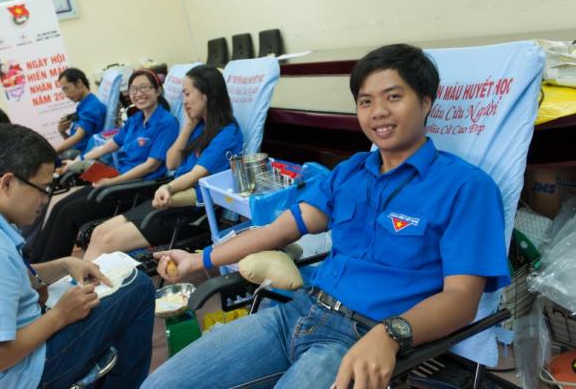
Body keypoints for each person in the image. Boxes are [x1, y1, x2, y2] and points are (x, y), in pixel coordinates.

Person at [143, 44, 511, 389]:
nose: (378, 112)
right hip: (296, 313)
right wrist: (197, 260)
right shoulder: (350, 172)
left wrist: (392, 334)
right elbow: (276, 231)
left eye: (393, 97)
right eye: (366, 101)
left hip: (361, 337)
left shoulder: (466, 188)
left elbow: (462, 300)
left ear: (426, 101)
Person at [0, 124, 154, 389]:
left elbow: (8, 281)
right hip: (13, 377)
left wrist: (65, 264)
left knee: (109, 303)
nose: (45, 199)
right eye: (42, 188)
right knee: (140, 288)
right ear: (7, 183)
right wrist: (60, 316)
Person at [83, 65, 244, 261]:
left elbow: (195, 175)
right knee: (99, 232)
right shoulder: (199, 124)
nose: (184, 101)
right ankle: (80, 285)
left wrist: (167, 188)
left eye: (187, 94)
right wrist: (189, 125)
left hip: (192, 211)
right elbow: (171, 163)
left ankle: (88, 289)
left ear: (206, 94)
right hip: (169, 198)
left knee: (109, 242)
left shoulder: (227, 133)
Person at [28, 69, 179, 262]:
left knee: (69, 214)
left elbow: (151, 166)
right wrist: (79, 160)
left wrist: (112, 182)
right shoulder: (135, 119)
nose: (139, 93)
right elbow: (110, 145)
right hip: (116, 179)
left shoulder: (167, 123)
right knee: (60, 206)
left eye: (145, 87)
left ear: (158, 90)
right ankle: (36, 265)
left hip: (137, 186)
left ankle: (49, 269)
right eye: (134, 89)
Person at [55, 68, 107, 156]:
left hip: (85, 156)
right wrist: (62, 132)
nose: (66, 95)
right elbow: (75, 142)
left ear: (79, 83)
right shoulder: (83, 105)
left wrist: (52, 151)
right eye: (63, 91)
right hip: (76, 153)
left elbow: (78, 137)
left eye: (66, 88)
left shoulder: (92, 107)